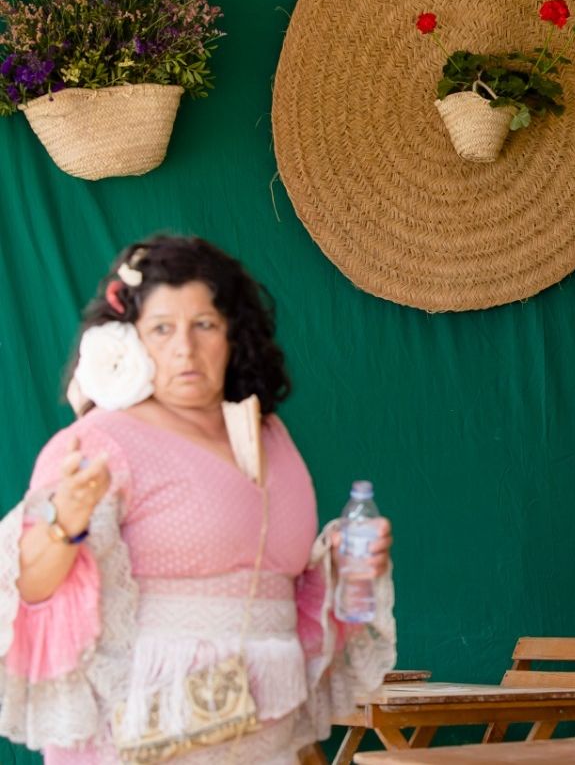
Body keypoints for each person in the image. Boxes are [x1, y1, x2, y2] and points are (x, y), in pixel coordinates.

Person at [0, 236, 397, 764]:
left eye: (204, 325)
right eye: (162, 329)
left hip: (266, 740)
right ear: (127, 340)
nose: (184, 348)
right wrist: (64, 523)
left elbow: (281, 589)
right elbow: (27, 587)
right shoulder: (103, 440)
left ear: (234, 332)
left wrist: (347, 562)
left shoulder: (269, 434)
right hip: (147, 741)